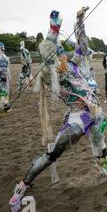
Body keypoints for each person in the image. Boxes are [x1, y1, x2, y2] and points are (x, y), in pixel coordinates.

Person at [9, 48, 107, 212]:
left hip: (95, 110)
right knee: (56, 150)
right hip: (79, 116)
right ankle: (24, 183)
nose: (61, 58)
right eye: (57, 56)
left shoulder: (73, 64)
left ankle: (104, 166)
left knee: (99, 140)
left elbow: (83, 47)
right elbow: (45, 77)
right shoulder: (48, 74)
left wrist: (80, 22)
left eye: (62, 54)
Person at [34, 10, 64, 147]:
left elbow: (54, 34)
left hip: (52, 69)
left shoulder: (52, 43)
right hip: (48, 72)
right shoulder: (48, 43)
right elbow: (53, 32)